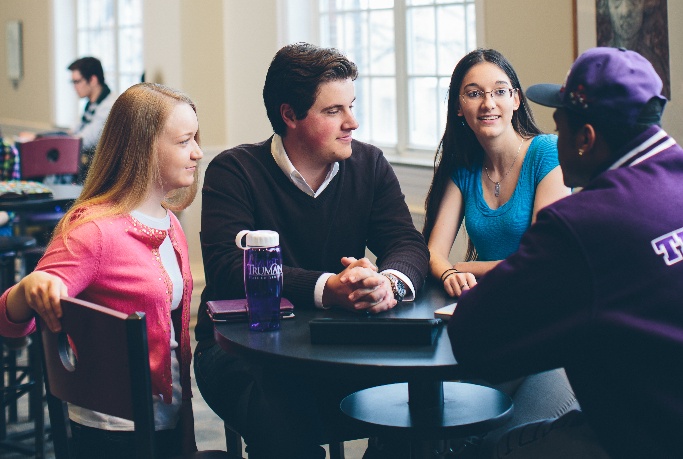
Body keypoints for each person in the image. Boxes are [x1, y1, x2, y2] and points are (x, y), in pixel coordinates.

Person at [194, 42, 430, 459]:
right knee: (282, 421)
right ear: (290, 115)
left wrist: (386, 283)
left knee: (418, 406)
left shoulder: (369, 165)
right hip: (243, 352)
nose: (352, 123)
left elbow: (406, 243)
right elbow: (229, 266)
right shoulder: (234, 171)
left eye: (351, 106)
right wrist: (328, 288)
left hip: (338, 346)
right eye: (333, 110)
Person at [448, 47, 683, 459]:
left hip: (646, 438)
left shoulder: (584, 223)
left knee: (483, 449)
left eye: (559, 126)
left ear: (585, 139)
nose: (552, 141)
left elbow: (472, 338)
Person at [0, 82, 203, 459]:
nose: (198, 152)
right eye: (184, 141)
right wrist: (31, 288)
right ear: (142, 148)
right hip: (114, 434)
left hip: (166, 417)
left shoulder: (169, 222)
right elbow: (10, 318)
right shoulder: (93, 231)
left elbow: (174, 340)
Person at [423, 48, 575, 442]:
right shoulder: (464, 167)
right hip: (497, 323)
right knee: (446, 433)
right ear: (459, 107)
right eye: (473, 93)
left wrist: (465, 269)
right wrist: (448, 270)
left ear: (515, 100)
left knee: (502, 444)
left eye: (499, 91)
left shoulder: (547, 153)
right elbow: (433, 252)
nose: (487, 103)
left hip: (555, 330)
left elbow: (540, 263)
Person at [67, 56, 115, 182]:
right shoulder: (92, 104)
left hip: (102, 171)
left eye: (77, 81)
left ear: (93, 80)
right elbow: (74, 131)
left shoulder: (109, 105)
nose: (74, 87)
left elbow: (85, 140)